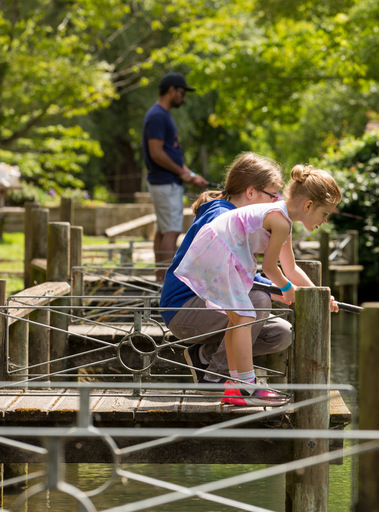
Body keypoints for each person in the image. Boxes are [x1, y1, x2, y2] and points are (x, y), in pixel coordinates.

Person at [174, 164, 341, 406]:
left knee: (237, 319)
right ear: (308, 205)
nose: (324, 220)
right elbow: (270, 269)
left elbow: (290, 267)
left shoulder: (282, 217)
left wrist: (321, 296)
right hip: (219, 254)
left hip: (219, 253)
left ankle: (234, 385)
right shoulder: (280, 221)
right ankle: (247, 387)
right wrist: (287, 289)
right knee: (245, 316)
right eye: (325, 213)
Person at [159, 152, 292, 398]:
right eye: (272, 195)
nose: (275, 202)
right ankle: (217, 378)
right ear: (251, 192)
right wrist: (280, 288)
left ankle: (204, 356)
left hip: (211, 306)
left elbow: (240, 274)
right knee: (258, 300)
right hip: (184, 310)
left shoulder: (239, 219)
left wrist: (282, 289)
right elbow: (232, 275)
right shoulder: (221, 216)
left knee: (280, 333)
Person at [142, 72, 208, 282]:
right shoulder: (157, 116)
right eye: (182, 92)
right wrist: (182, 173)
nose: (183, 97)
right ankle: (166, 283)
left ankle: (160, 280)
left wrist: (191, 175)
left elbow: (171, 153)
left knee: (163, 230)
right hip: (165, 183)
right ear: (171, 90)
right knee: (171, 230)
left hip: (166, 182)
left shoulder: (161, 115)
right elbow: (156, 152)